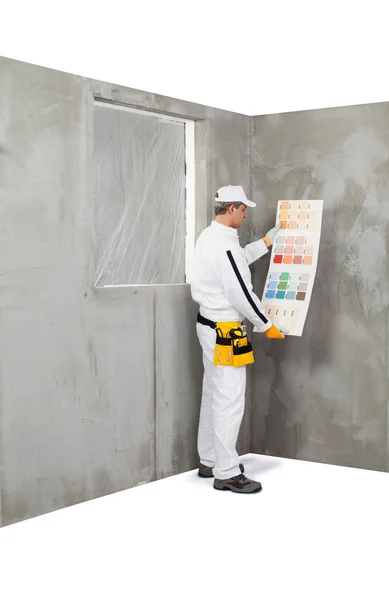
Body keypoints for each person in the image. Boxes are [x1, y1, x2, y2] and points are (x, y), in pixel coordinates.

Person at [190, 185, 287, 494]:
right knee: (230, 399)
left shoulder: (211, 237)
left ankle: (209, 460)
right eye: (244, 208)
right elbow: (240, 292)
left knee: (212, 392)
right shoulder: (224, 246)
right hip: (227, 333)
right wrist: (267, 323)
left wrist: (266, 243)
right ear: (230, 208)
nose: (246, 213)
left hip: (209, 325)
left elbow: (236, 262)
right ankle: (228, 472)